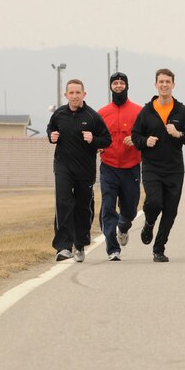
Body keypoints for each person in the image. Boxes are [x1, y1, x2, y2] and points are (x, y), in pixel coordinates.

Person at [131, 68, 185, 262]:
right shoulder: (146, 111)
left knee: (171, 210)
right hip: (152, 166)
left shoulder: (181, 111)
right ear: (156, 85)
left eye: (167, 82)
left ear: (173, 85)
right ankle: (149, 223)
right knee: (154, 203)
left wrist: (179, 134)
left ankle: (159, 248)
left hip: (174, 168)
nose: (164, 85)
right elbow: (135, 136)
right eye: (161, 82)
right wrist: (145, 142)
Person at [46, 79, 112, 262]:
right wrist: (52, 137)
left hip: (85, 169)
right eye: (71, 93)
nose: (75, 96)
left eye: (78, 93)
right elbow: (51, 129)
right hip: (63, 167)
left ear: (84, 94)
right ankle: (63, 247)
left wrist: (93, 139)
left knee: (82, 206)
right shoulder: (59, 114)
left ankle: (80, 244)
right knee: (63, 202)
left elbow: (107, 139)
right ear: (65, 95)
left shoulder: (92, 117)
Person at [98, 72, 143, 261]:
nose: (118, 86)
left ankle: (124, 225)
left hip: (131, 166)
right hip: (109, 166)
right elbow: (94, 136)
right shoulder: (101, 113)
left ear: (127, 86)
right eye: (115, 83)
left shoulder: (138, 111)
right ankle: (112, 248)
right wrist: (97, 144)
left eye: (121, 83)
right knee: (108, 206)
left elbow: (146, 136)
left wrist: (136, 140)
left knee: (130, 208)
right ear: (110, 87)